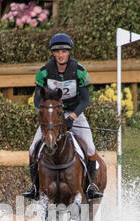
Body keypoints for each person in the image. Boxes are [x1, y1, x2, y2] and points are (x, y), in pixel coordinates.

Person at [23, 33, 103, 200]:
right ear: (52, 53)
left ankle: (91, 186)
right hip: (52, 115)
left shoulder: (79, 71)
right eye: (57, 51)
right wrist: (48, 114)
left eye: (64, 51)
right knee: (33, 148)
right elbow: (38, 99)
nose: (60, 55)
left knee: (90, 147)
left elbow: (85, 99)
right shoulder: (44, 72)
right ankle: (34, 187)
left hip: (75, 112)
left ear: (69, 53)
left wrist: (72, 117)